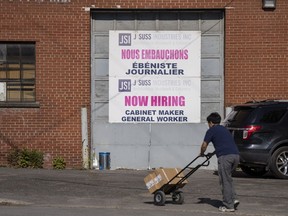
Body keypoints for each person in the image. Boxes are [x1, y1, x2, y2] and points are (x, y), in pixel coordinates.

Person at [200, 112, 240, 212]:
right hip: (235, 156)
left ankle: (228, 206)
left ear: (211, 122)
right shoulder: (224, 129)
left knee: (224, 180)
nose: (208, 125)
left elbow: (204, 145)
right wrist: (211, 154)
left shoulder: (211, 130)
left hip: (225, 158)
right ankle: (233, 199)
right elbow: (223, 145)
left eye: (208, 123)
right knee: (228, 179)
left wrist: (201, 153)